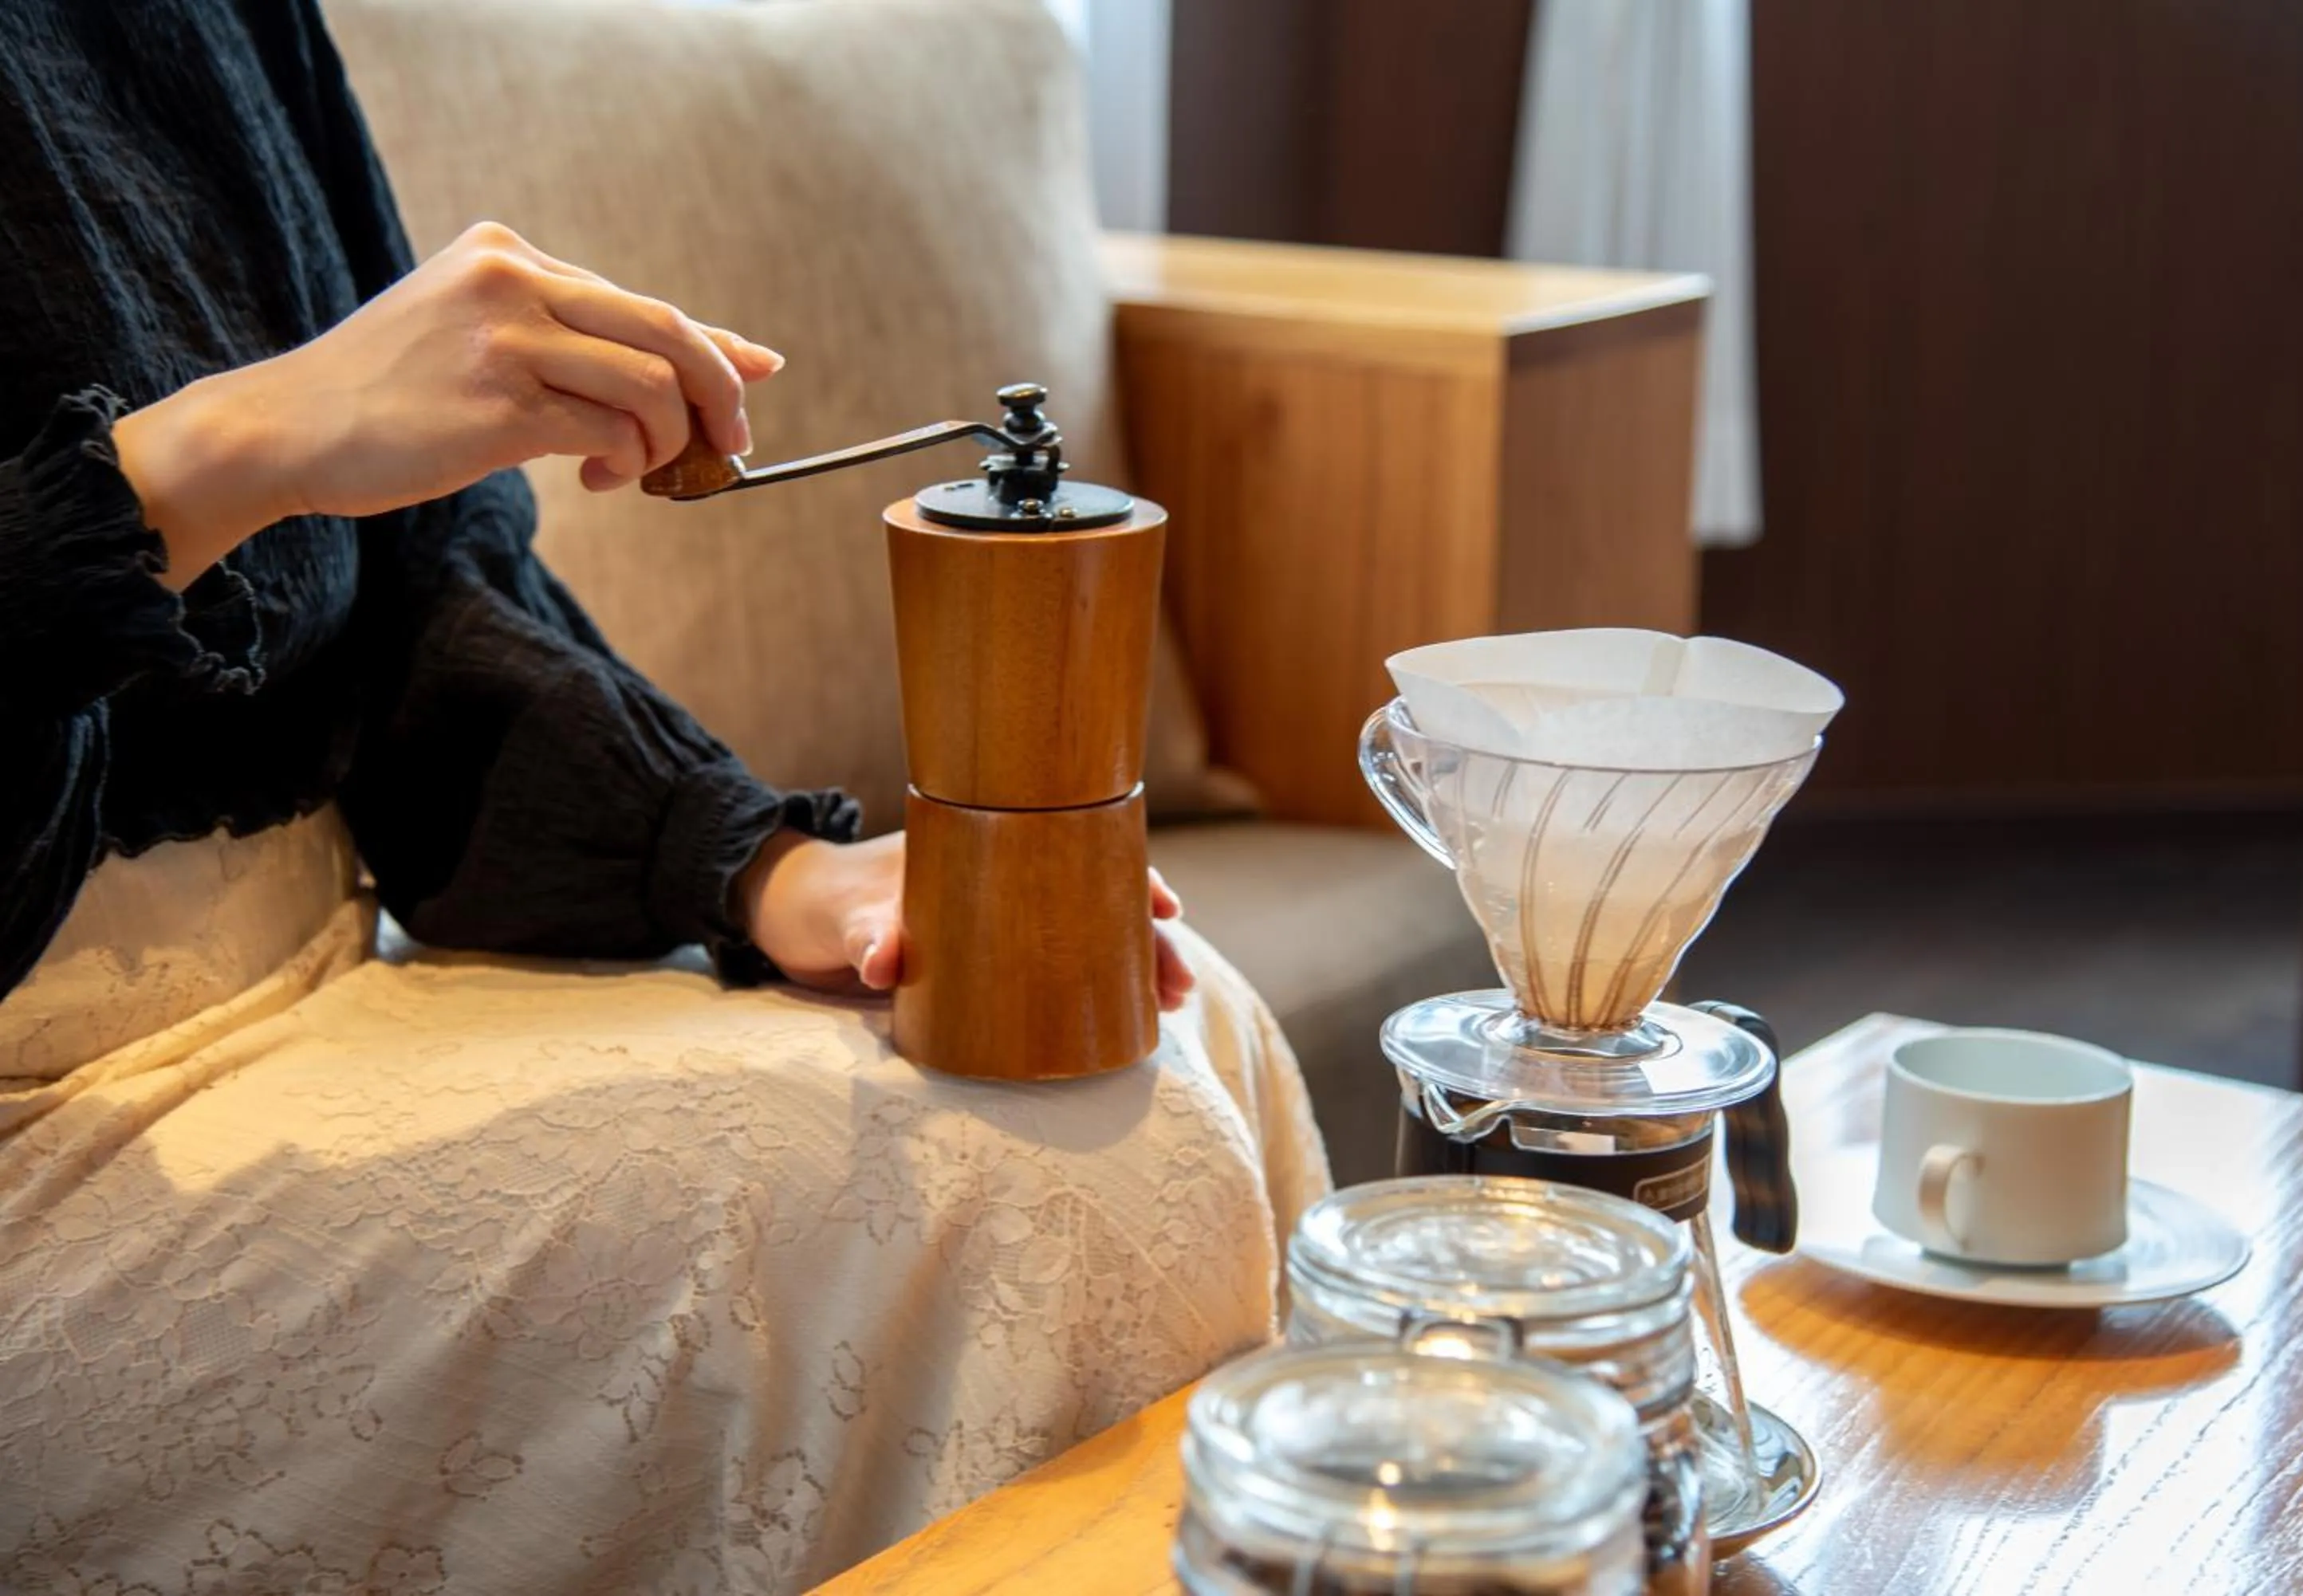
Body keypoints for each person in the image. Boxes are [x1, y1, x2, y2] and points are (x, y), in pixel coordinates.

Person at [0, 2, 1326, 1591]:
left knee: (1160, 1028)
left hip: (316, 973)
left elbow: (418, 596)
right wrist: (224, 448)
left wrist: (757, 864)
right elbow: (287, 458)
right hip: (45, 1113)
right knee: (1055, 1171)